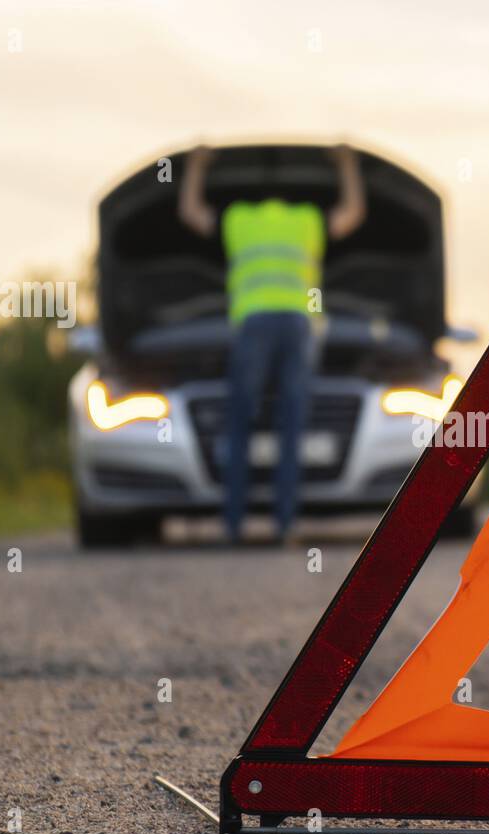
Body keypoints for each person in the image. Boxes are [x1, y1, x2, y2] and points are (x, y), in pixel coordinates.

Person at [177, 143, 366, 543]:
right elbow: (354, 214)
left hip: (253, 325)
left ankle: (232, 525)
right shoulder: (307, 219)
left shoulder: (239, 219)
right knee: (291, 422)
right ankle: (285, 525)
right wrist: (347, 165)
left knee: (241, 419)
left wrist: (196, 166)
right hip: (297, 326)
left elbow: (190, 214)